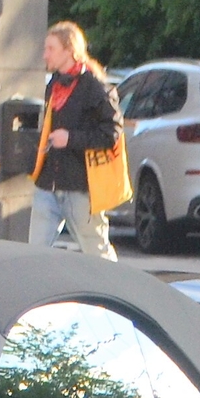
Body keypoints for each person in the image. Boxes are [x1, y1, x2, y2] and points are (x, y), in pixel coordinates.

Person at [29, 21, 120, 260]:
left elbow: (112, 133)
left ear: (69, 51)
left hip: (81, 186)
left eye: (51, 49)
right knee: (33, 255)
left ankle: (115, 293)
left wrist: (70, 138)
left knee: (97, 253)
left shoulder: (95, 87)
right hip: (48, 183)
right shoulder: (54, 84)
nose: (45, 54)